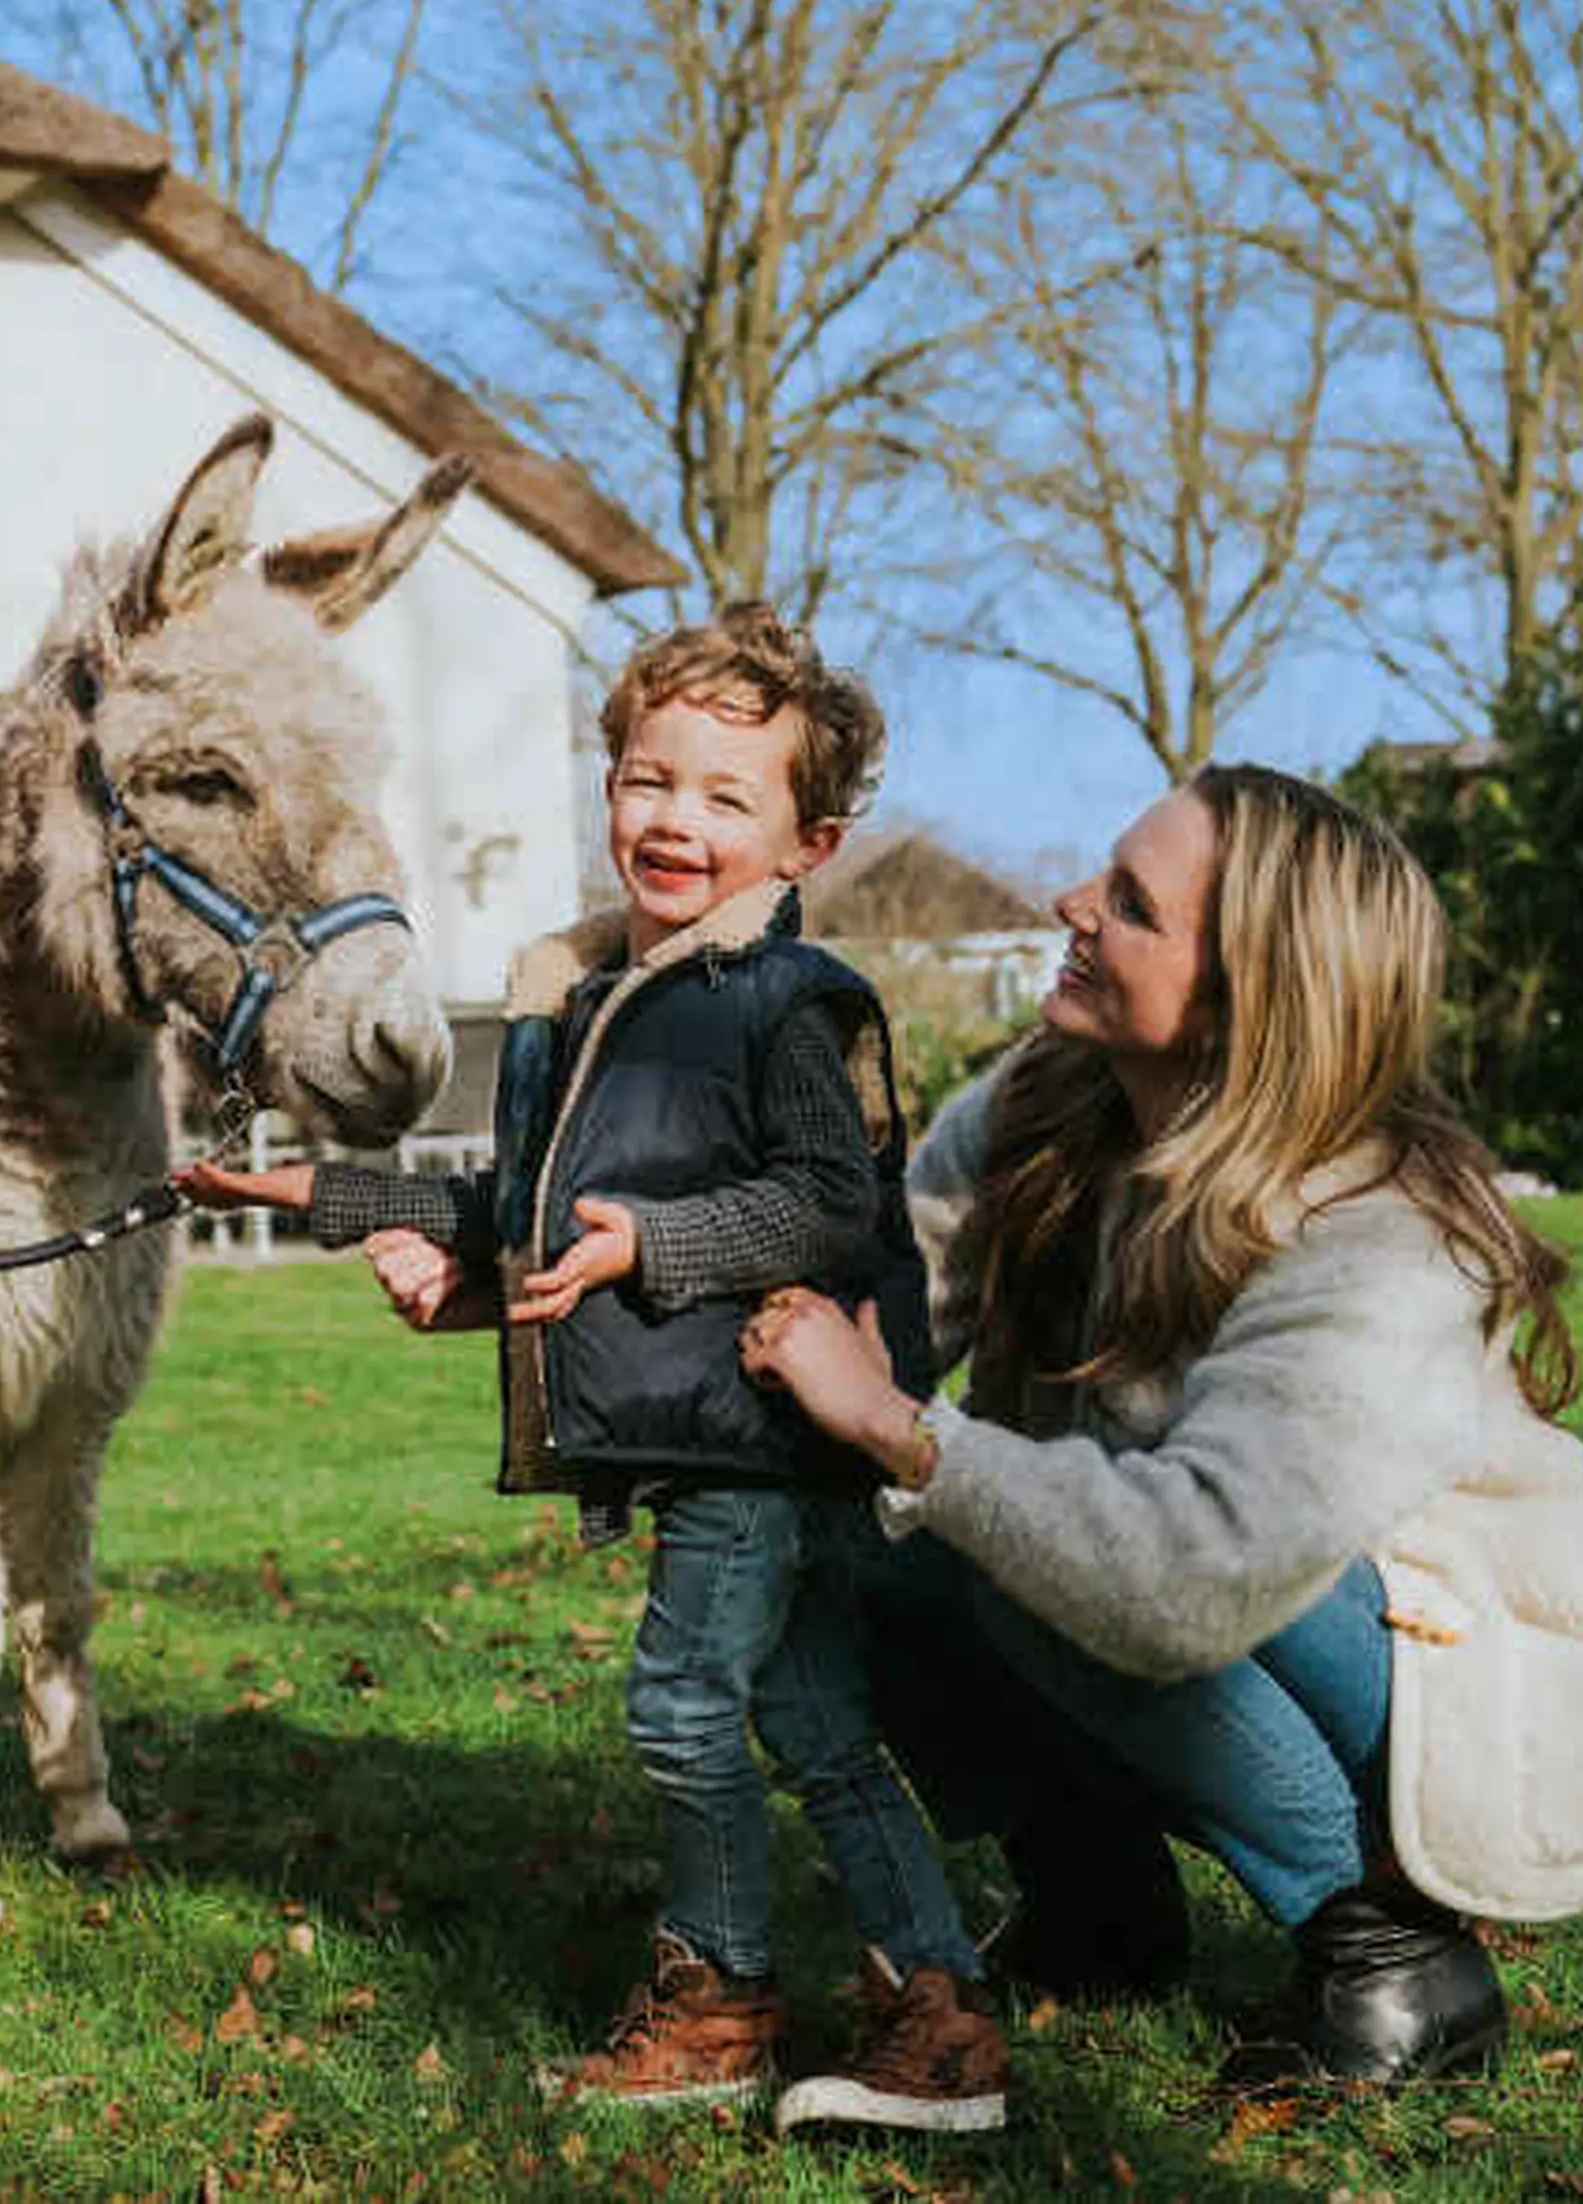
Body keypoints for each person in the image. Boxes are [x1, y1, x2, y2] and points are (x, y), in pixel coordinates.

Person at [181, 605, 1008, 2136]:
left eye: (723, 797)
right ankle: (939, 2012)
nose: (673, 820)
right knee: (817, 1722)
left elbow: (830, 1203)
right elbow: (529, 1216)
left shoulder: (785, 1000)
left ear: (807, 840)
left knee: (685, 1707)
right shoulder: (580, 1011)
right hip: (706, 1429)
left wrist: (657, 1248)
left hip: (753, 1426)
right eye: (646, 779)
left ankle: (719, 2005)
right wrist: (311, 1195)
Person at [741, 766, 1583, 2087]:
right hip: (1219, 1585)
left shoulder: (1383, 1235)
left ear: (1251, 995)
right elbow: (888, 1277)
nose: (1071, 904)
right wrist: (592, 1276)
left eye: (1128, 904)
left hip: (1468, 1684)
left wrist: (902, 1430)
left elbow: (1195, 1577)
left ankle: (1391, 1948)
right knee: (860, 1546)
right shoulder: (1053, 1103)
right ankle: (1099, 1902)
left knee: (1034, 1532)